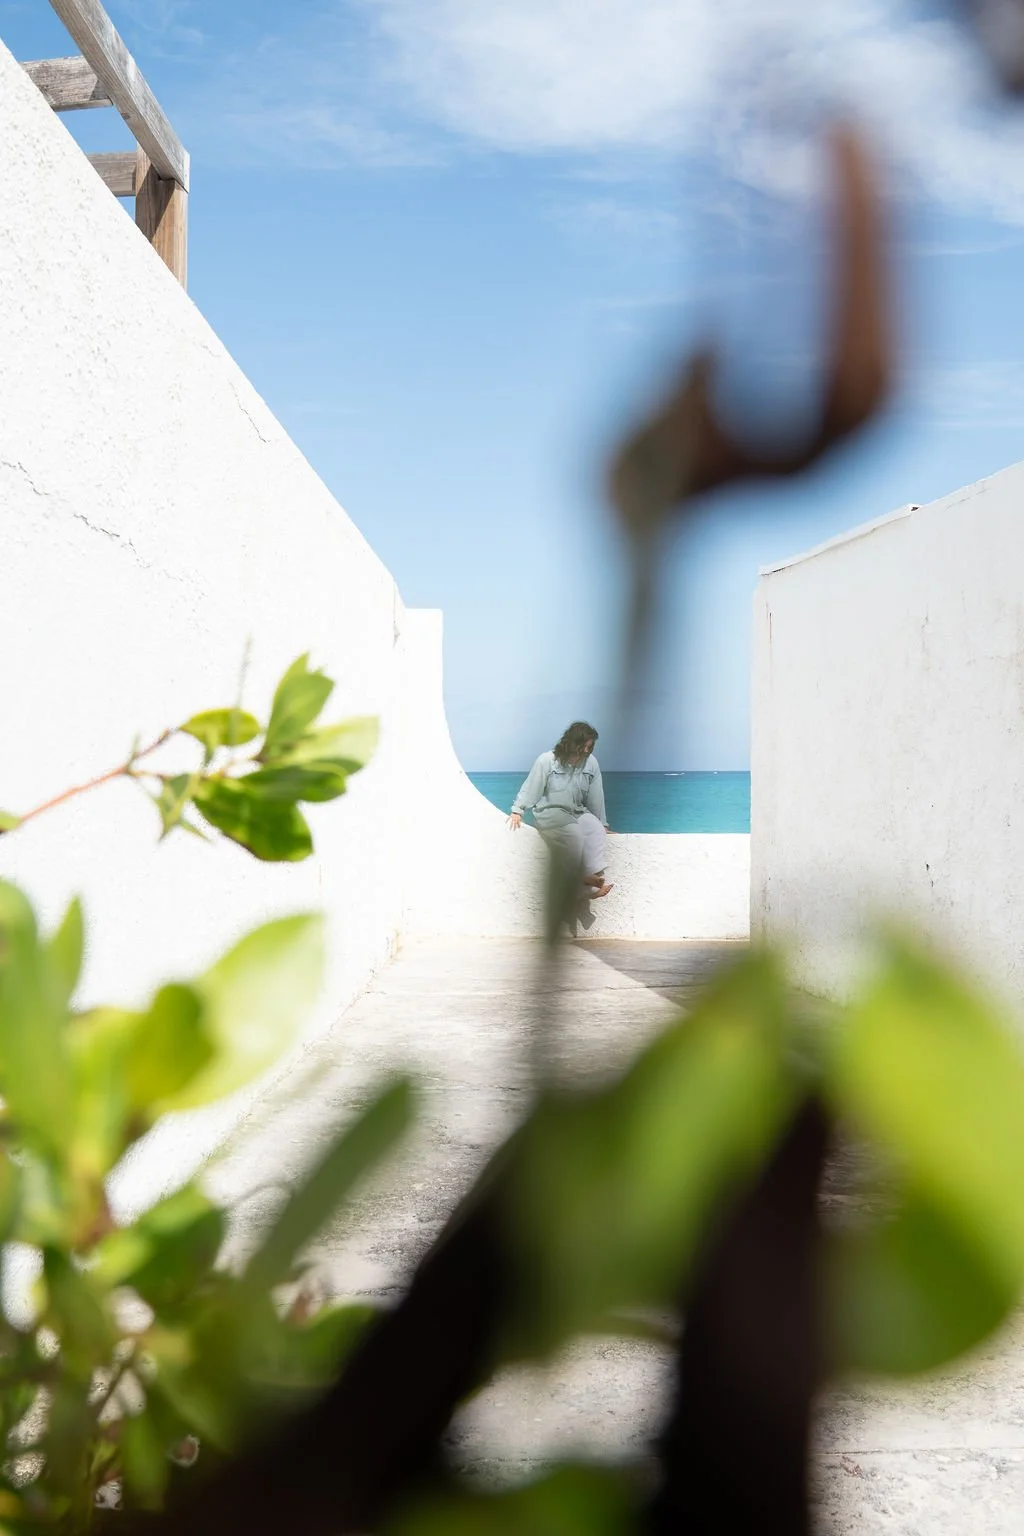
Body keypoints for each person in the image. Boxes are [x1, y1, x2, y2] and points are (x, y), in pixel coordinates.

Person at [507, 721, 614, 899]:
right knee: (574, 835)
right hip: (550, 813)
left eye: (590, 747)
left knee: (595, 830)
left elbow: (596, 796)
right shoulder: (547, 760)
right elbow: (532, 786)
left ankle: (591, 878)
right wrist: (518, 809)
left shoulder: (591, 763)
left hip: (577, 812)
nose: (587, 751)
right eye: (583, 746)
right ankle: (583, 882)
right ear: (571, 742)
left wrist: (602, 823)